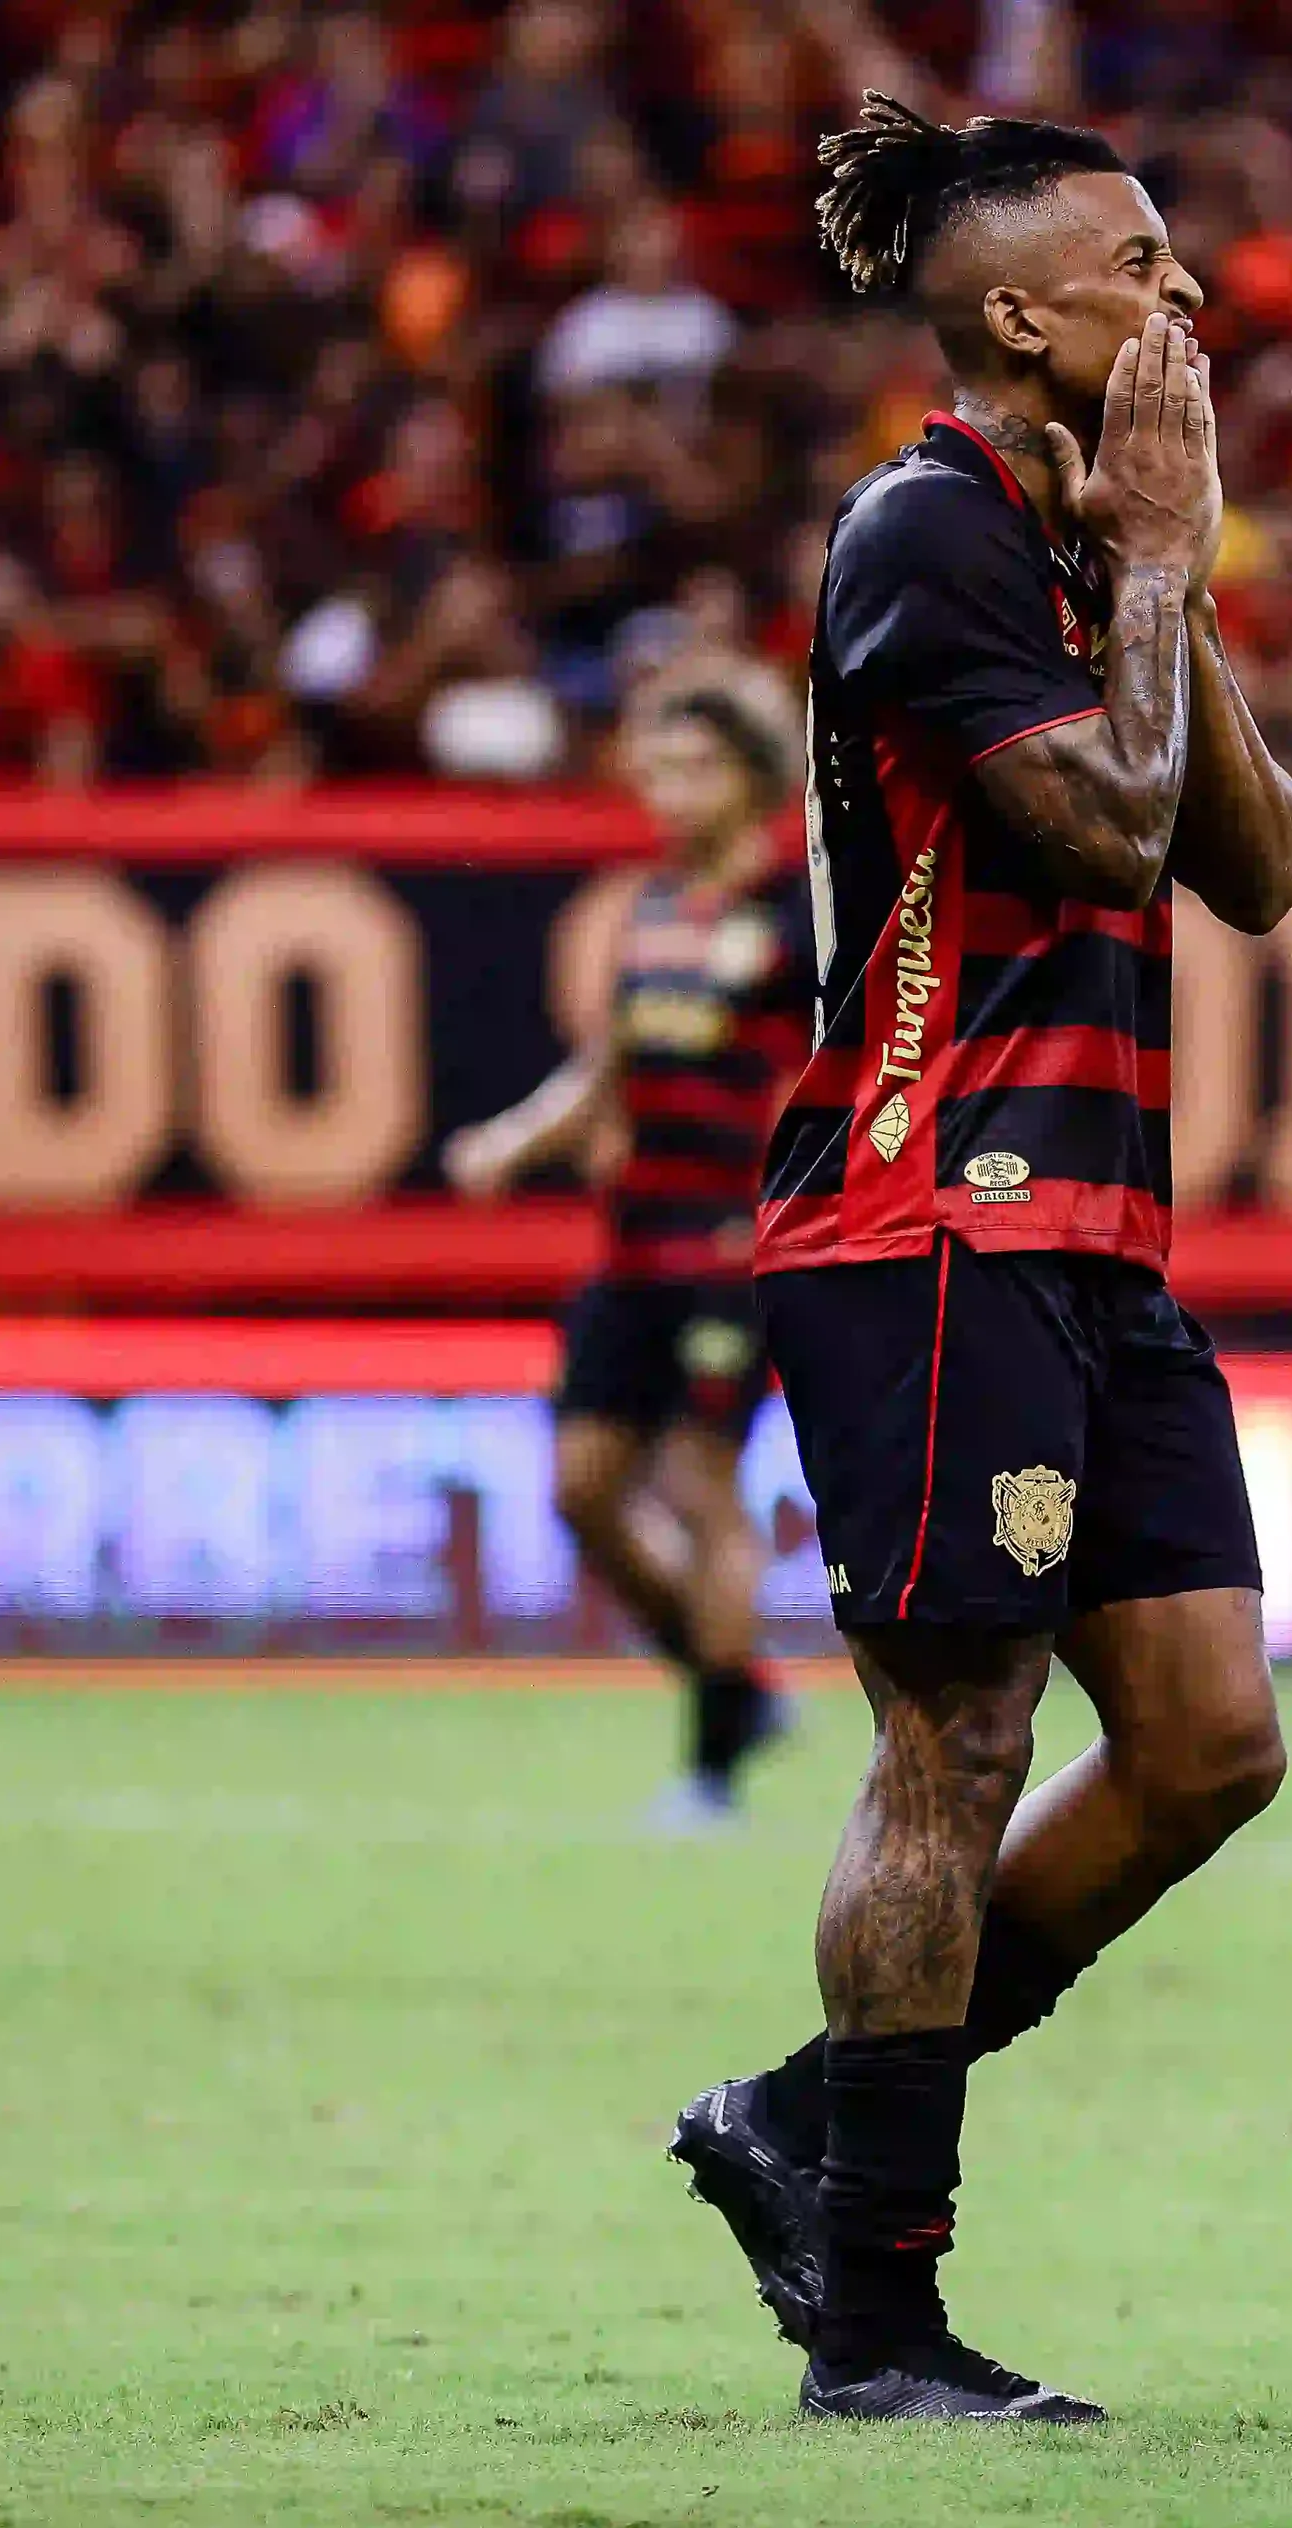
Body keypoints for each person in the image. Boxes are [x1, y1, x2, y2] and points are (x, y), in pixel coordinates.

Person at [661, 95, 1292, 2424]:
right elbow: (1118, 834)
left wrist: (1172, 567)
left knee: (1210, 1741)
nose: (1193, 301)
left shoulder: (1080, 554)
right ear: (1027, 314)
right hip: (931, 1216)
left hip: (1098, 1235)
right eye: (1148, 265)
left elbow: (1260, 863)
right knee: (954, 1734)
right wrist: (1148, 562)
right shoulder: (925, 535)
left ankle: (807, 2119)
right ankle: (875, 2320)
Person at [444, 686, 814, 1825]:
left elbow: (862, 1069)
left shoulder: (800, 917)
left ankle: (710, 1768)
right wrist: (516, 1139)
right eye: (654, 771)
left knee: (702, 1485)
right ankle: (738, 1685)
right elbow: (608, 1068)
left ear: (753, 778)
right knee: (583, 1488)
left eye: (692, 768)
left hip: (733, 1244)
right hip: (634, 1240)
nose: (666, 794)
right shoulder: (653, 906)